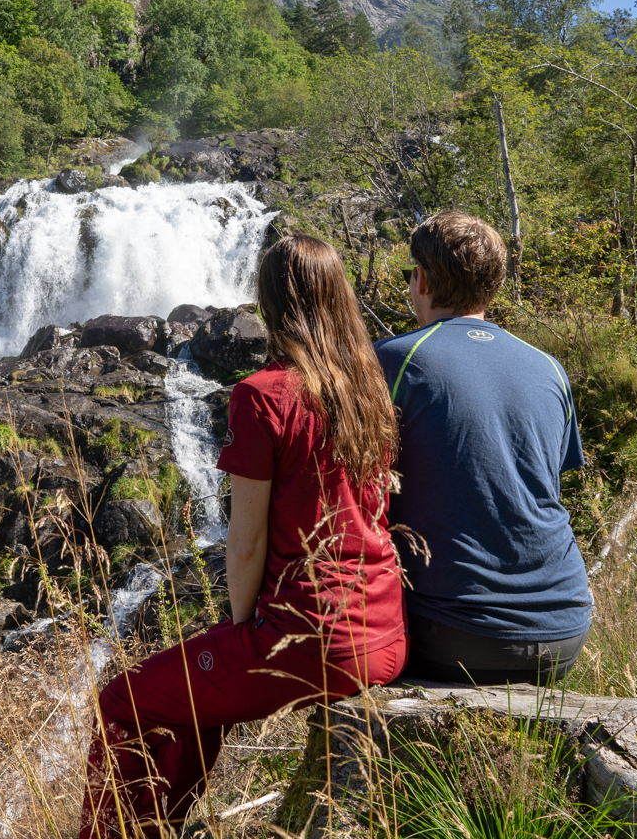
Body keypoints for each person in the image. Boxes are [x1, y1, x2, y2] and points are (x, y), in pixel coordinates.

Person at [81, 235, 405, 839]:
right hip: (384, 633)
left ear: (271, 302)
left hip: (309, 640)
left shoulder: (264, 394)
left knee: (121, 701)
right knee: (190, 701)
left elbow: (246, 541)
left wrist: (242, 630)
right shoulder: (369, 387)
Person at [374, 211, 591, 685]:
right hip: (565, 627)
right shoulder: (548, 366)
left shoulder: (392, 359)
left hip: (453, 631)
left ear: (423, 281)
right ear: (492, 288)